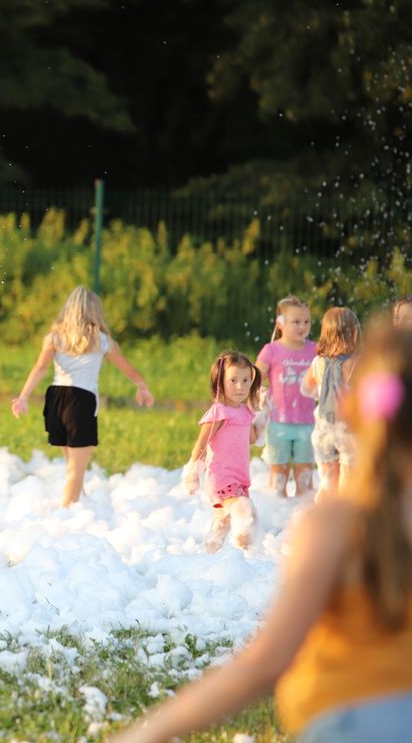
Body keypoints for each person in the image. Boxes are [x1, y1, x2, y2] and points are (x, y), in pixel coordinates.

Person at [110, 323, 412, 743]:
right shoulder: (343, 521)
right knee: (234, 514)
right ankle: (228, 545)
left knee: (234, 516)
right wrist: (195, 466)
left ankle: (227, 546)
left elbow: (265, 662)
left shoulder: (337, 524)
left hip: (340, 722)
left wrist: (144, 734)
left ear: (357, 409)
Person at [10, 286, 154, 507]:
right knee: (75, 473)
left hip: (55, 400)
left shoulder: (55, 337)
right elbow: (129, 370)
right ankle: (66, 519)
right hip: (81, 401)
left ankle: (80, 507)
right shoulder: (101, 340)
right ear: (95, 312)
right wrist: (142, 387)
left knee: (72, 468)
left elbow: (40, 367)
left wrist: (23, 396)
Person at [183, 351, 264, 552]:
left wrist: (263, 413)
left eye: (246, 380)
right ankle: (247, 556)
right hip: (222, 479)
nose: (240, 386)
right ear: (220, 382)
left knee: (222, 523)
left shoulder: (245, 411)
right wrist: (193, 473)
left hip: (239, 478)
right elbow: (201, 445)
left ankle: (209, 555)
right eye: (233, 380)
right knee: (246, 513)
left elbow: (253, 438)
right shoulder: (219, 412)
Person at [256, 295, 318, 497]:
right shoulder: (271, 350)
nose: (303, 326)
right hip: (278, 423)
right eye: (296, 322)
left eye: (307, 322)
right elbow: (255, 379)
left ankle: (303, 516)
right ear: (280, 323)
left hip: (308, 422)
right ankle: (278, 518)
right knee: (278, 478)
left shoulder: (315, 350)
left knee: (305, 478)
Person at [301, 307, 360, 498]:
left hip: (323, 430)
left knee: (327, 481)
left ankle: (324, 519)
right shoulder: (358, 362)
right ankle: (343, 520)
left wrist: (324, 393)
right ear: (354, 332)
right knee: (348, 483)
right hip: (348, 430)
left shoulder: (318, 362)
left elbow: (306, 388)